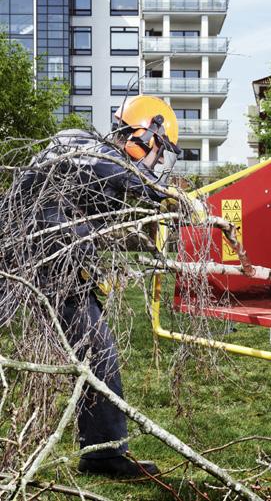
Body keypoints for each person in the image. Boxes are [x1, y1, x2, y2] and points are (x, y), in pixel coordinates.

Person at [18, 95, 181, 478]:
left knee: (99, 351)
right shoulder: (83, 146)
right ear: (144, 136)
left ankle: (102, 452)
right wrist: (174, 198)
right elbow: (120, 174)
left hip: (59, 270)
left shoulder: (98, 168)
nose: (156, 162)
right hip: (34, 265)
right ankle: (103, 452)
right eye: (159, 152)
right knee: (98, 350)